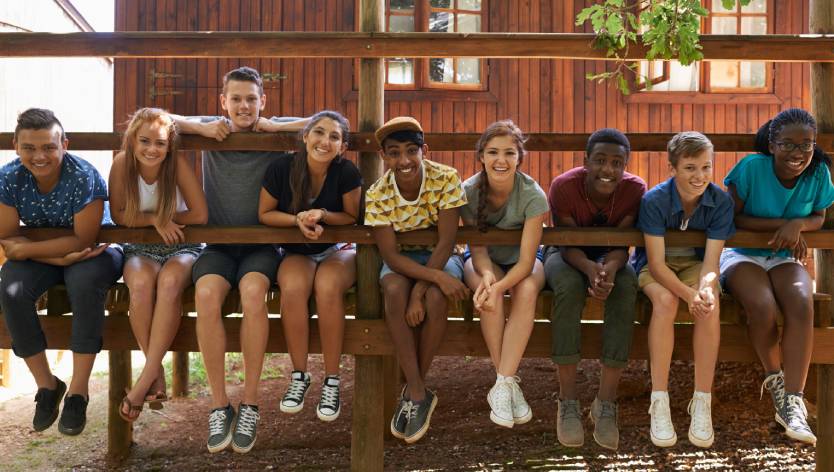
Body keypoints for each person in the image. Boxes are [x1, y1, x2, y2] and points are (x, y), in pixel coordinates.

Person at [172, 66, 309, 454]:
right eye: (236, 99)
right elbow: (157, 116)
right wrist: (201, 130)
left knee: (252, 293)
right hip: (217, 244)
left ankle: (250, 402)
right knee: (206, 295)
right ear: (223, 102)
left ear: (263, 101)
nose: (244, 106)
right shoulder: (212, 125)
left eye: (251, 98)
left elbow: (328, 121)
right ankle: (219, 405)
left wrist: (271, 128)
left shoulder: (274, 126)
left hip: (261, 246)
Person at [0, 108, 123, 436]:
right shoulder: (8, 177)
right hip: (48, 255)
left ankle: (78, 392)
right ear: (16, 146)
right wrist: (56, 259)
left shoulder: (83, 176)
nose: (39, 156)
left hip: (96, 252)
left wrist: (29, 250)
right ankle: (47, 386)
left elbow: (83, 239)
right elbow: (9, 237)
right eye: (29, 148)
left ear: (63, 144)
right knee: (11, 286)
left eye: (49, 147)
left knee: (84, 283)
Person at [720, 108, 834, 446]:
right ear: (772, 145)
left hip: (784, 258)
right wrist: (782, 226)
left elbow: (818, 215)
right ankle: (777, 384)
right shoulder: (751, 169)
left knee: (801, 302)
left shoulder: (818, 173)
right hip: (741, 255)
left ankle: (794, 403)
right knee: (762, 304)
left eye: (806, 145)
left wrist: (797, 224)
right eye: (788, 145)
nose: (798, 153)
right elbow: (731, 219)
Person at [365, 116, 469, 444]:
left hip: (442, 255)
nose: (404, 160)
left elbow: (446, 240)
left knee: (436, 298)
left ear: (425, 150)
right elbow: (391, 257)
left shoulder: (446, 178)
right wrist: (422, 285)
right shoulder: (378, 193)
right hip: (403, 262)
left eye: (412, 151)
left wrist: (421, 292)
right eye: (394, 153)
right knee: (393, 289)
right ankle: (419, 392)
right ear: (384, 156)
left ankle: (414, 392)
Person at [544, 128, 646, 450]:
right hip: (565, 253)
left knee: (627, 284)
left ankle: (606, 402)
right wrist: (589, 270)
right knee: (568, 285)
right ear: (586, 161)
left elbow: (623, 242)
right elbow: (567, 242)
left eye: (617, 162)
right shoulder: (564, 187)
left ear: (625, 164)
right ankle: (568, 401)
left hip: (610, 255)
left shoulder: (634, 189)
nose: (608, 169)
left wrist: (611, 269)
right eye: (600, 160)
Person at [258, 110, 361, 422]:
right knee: (292, 287)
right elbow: (265, 213)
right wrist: (298, 219)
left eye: (334, 137)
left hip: (337, 248)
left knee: (328, 286)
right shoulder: (281, 168)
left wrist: (323, 215)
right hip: (296, 250)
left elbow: (351, 216)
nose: (324, 141)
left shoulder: (346, 172)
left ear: (342, 146)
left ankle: (331, 380)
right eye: (318, 132)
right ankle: (299, 375)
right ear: (305, 137)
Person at [634, 131, 734, 449]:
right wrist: (686, 295)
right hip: (657, 268)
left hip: (695, 266)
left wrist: (702, 290)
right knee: (664, 302)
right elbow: (656, 263)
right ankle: (659, 401)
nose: (699, 175)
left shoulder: (720, 201)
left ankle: (701, 401)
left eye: (706, 167)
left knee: (710, 303)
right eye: (690, 167)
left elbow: (711, 262)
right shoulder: (654, 200)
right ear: (672, 168)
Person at [110, 108, 208, 422]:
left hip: (181, 244)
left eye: (160, 143)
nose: (153, 149)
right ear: (132, 141)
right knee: (139, 286)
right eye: (145, 141)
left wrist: (169, 219)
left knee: (168, 284)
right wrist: (154, 220)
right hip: (140, 246)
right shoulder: (122, 164)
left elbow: (200, 214)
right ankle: (155, 373)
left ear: (169, 145)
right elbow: (120, 214)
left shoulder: (174, 165)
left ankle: (145, 380)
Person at [459, 120, 547, 429]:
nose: (501, 160)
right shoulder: (468, 193)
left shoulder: (533, 195)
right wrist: (487, 278)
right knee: (489, 294)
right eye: (493, 152)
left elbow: (525, 262)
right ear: (481, 156)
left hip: (523, 262)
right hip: (484, 261)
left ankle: (502, 383)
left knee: (525, 290)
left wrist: (501, 287)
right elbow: (478, 249)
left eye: (509, 153)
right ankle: (507, 383)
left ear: (519, 158)